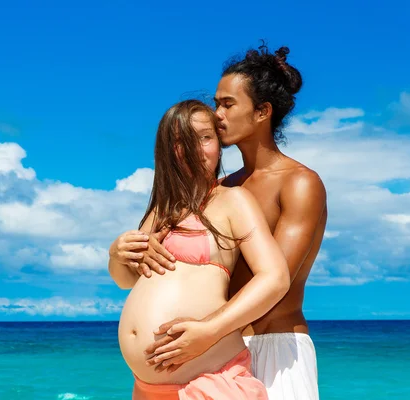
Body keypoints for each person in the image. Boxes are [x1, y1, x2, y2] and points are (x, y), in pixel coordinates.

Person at [134, 43, 328, 400]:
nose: (216, 113)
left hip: (274, 348)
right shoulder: (222, 189)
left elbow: (274, 283)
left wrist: (206, 330)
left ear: (262, 112)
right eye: (216, 102)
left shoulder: (299, 182)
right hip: (218, 354)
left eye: (227, 103)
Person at [108, 99, 292, 399]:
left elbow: (275, 278)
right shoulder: (161, 209)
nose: (195, 150)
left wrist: (209, 331)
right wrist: (116, 254)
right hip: (148, 389)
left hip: (207, 381)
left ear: (219, 144)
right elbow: (126, 279)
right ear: (167, 149)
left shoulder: (233, 201)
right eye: (182, 141)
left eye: (204, 138)